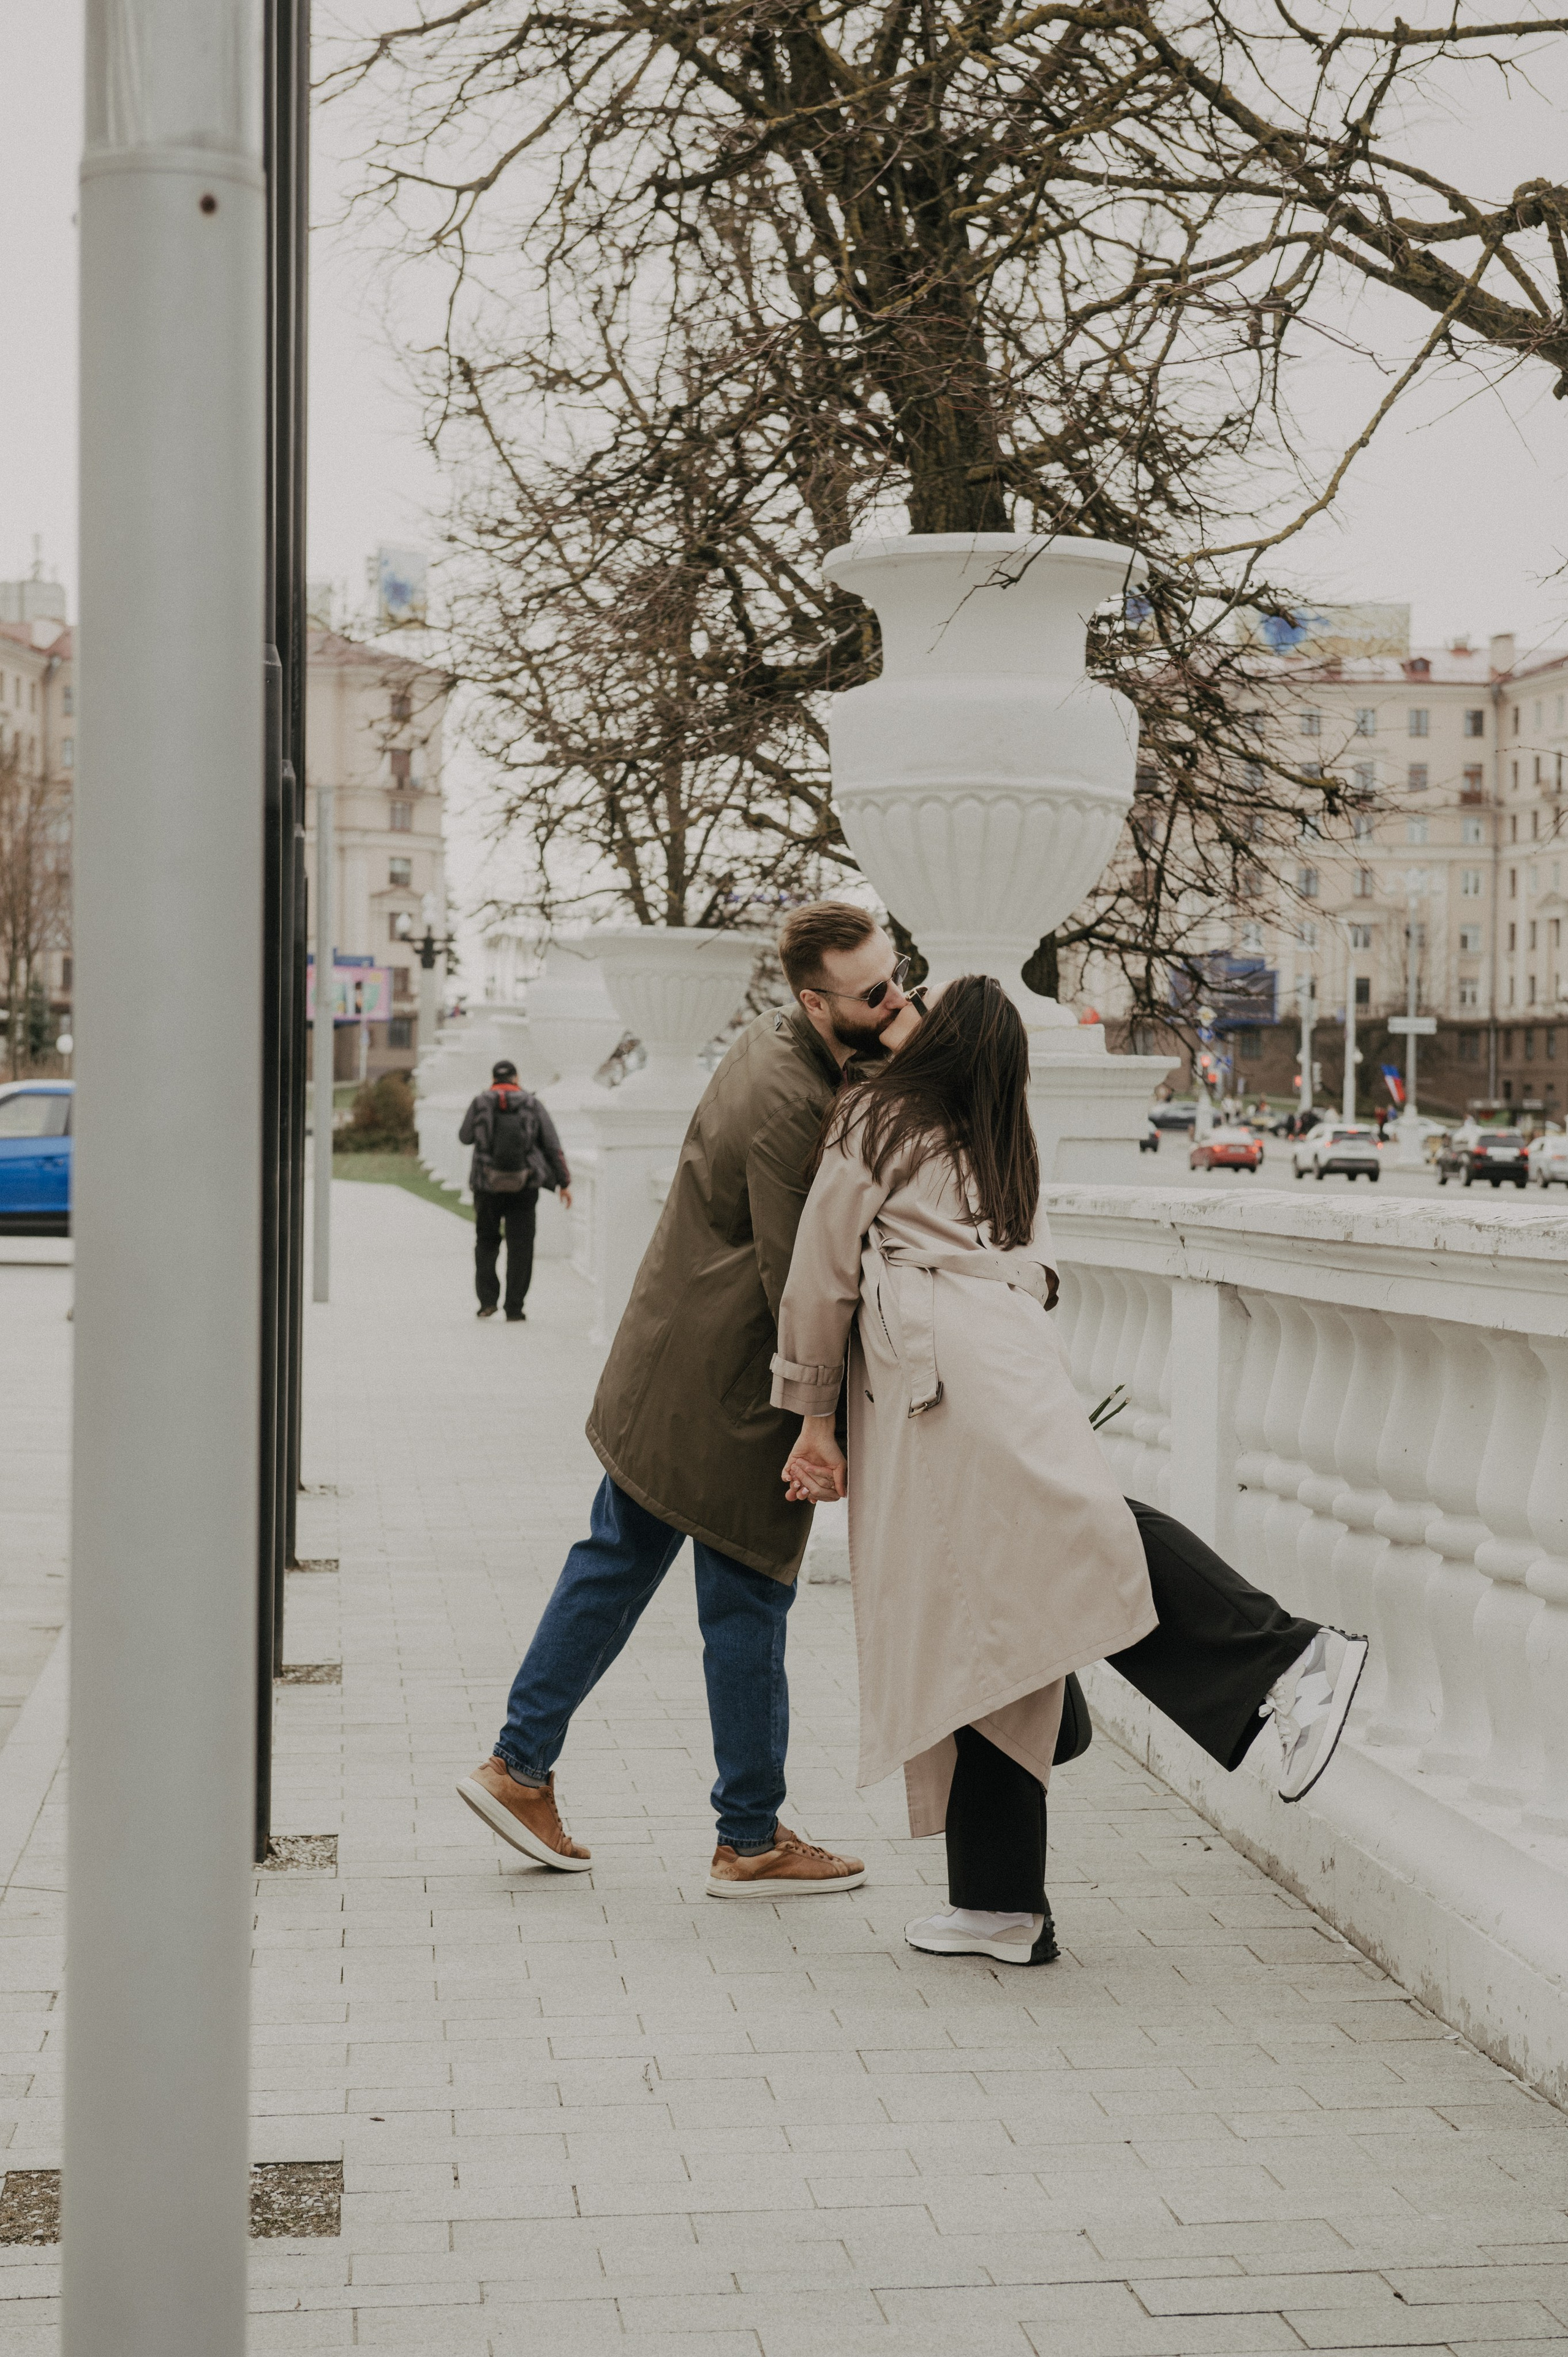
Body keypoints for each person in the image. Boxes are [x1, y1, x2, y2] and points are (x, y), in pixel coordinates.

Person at [774, 976, 1368, 1968]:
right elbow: (1035, 1270)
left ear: (944, 1035)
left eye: (910, 1003)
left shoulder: (878, 1113)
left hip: (943, 1378)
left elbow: (819, 1266)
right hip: (1001, 1357)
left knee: (1052, 1553)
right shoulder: (995, 1134)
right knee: (994, 1607)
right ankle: (998, 1900)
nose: (891, 1011)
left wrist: (811, 1413)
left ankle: (1285, 1657)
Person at [456, 903, 915, 1892]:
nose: (897, 1000)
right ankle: (748, 1837)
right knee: (747, 1591)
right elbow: (807, 1281)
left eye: (899, 975)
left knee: (615, 1559)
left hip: (671, 1364)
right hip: (727, 1386)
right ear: (815, 1000)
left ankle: (518, 1763)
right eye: (876, 991)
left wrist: (889, 1043)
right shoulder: (794, 1096)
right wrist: (818, 1426)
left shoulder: (776, 1043)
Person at [459, 1060, 571, 1322]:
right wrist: (563, 1183)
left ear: (493, 1079)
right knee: (521, 1246)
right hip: (525, 1184)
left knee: (486, 1241)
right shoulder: (532, 1104)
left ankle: (488, 1302)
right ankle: (515, 1308)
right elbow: (552, 1145)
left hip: (486, 1185)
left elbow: (464, 1137)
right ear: (516, 1078)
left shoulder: (480, 1102)